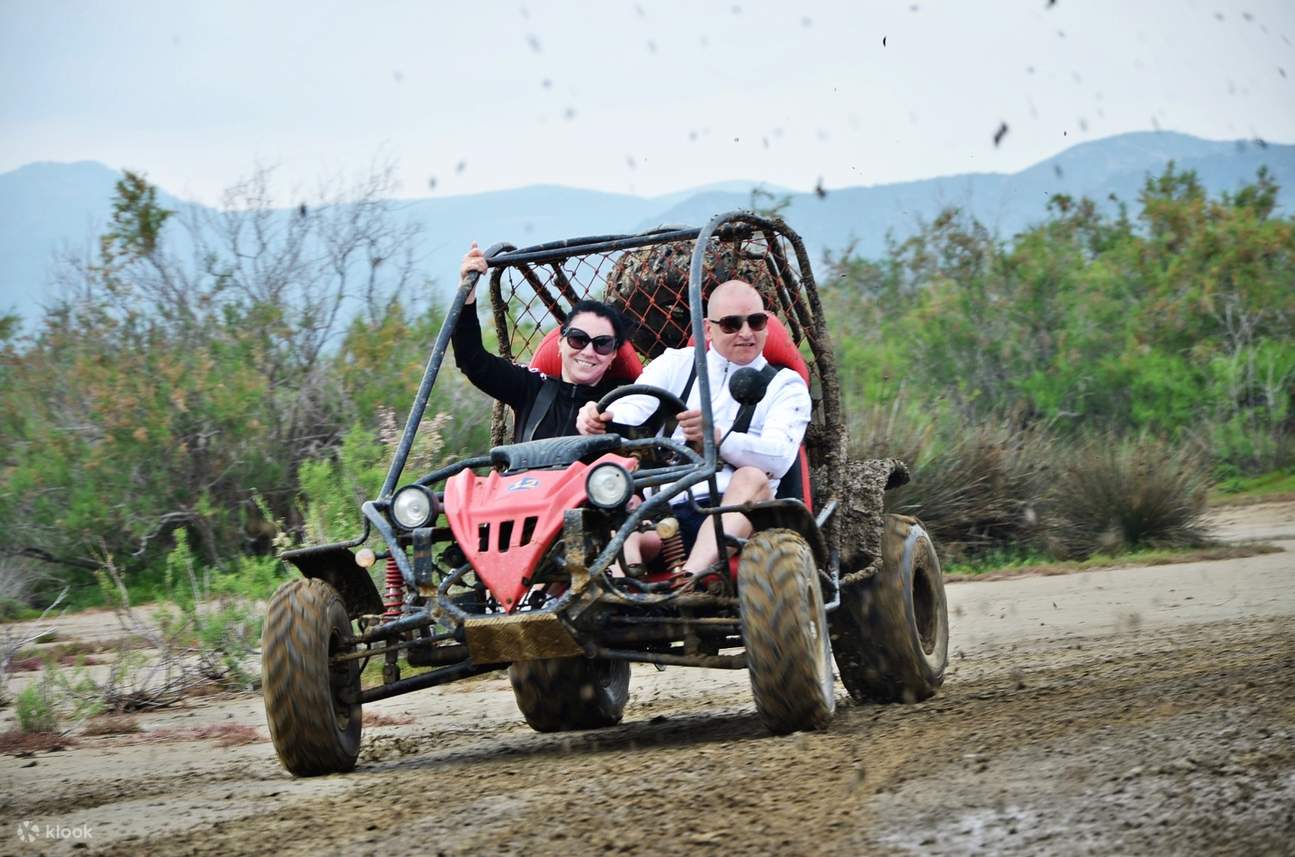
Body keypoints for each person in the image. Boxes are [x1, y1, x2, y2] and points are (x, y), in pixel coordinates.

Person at [575, 279, 812, 576]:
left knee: (752, 476)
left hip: (733, 514)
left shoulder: (784, 384)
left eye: (756, 321)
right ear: (708, 328)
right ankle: (625, 584)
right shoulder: (676, 364)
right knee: (609, 483)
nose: (746, 333)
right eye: (731, 324)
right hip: (660, 515)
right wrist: (597, 417)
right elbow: (630, 410)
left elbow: (778, 458)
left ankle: (690, 579)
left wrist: (717, 437)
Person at [453, 243, 628, 442]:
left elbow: (652, 428)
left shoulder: (626, 399)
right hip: (530, 473)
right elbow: (472, 360)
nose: (588, 351)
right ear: (561, 343)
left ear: (613, 354)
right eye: (578, 339)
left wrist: (604, 420)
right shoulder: (531, 387)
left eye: (602, 343)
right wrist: (467, 291)